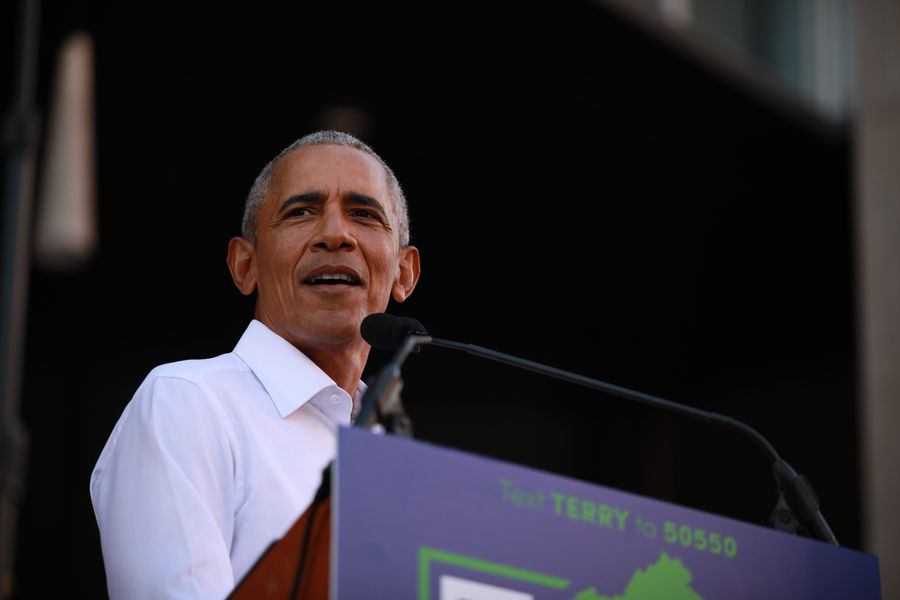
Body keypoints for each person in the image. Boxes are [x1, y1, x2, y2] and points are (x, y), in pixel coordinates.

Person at [89, 130, 421, 599]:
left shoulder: (399, 457)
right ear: (245, 265)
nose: (335, 234)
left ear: (404, 273)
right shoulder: (188, 402)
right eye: (301, 212)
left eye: (364, 214)